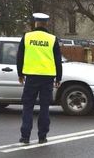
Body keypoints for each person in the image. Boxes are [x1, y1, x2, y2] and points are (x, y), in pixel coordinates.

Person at [16, 12, 62, 144]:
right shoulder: (52, 39)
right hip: (47, 78)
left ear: (35, 23)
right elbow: (58, 60)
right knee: (44, 107)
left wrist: (20, 74)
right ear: (46, 23)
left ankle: (25, 136)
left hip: (31, 77)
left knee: (28, 106)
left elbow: (20, 56)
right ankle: (42, 136)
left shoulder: (27, 37)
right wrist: (58, 77)